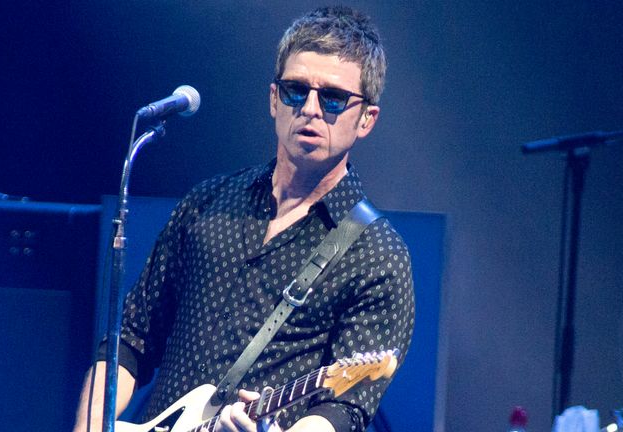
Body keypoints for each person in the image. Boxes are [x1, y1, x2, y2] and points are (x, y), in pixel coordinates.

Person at [73, 6, 414, 432]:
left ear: (366, 119)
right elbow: (132, 340)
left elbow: (343, 409)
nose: (309, 108)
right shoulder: (209, 202)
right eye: (295, 90)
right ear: (274, 99)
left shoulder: (378, 256)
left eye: (332, 98)